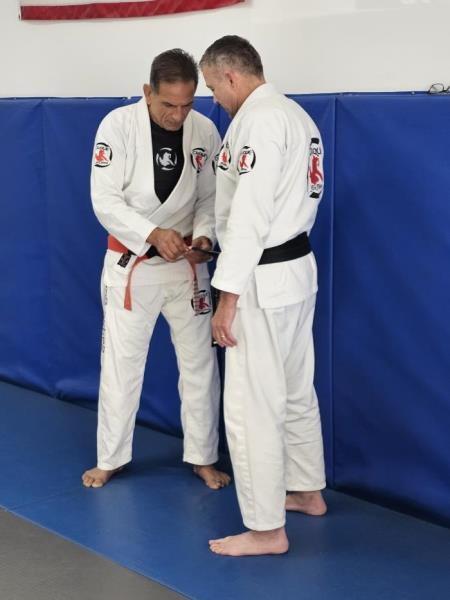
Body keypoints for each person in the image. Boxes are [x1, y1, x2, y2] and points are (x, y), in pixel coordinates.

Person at [200, 36, 327, 556]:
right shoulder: (297, 116)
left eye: (213, 87)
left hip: (260, 278)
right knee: (295, 389)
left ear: (231, 76)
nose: (214, 99)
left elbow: (250, 217)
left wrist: (226, 297)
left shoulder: (260, 121)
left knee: (251, 404)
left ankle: (266, 529)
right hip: (295, 272)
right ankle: (307, 489)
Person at [82, 49, 230, 491]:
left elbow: (210, 198)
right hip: (133, 266)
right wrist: (151, 233)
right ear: (148, 92)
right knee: (122, 365)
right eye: (168, 104)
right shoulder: (116, 126)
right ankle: (111, 458)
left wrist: (204, 236)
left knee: (201, 364)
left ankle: (203, 457)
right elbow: (104, 200)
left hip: (186, 268)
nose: (178, 115)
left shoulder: (204, 130)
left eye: (187, 104)